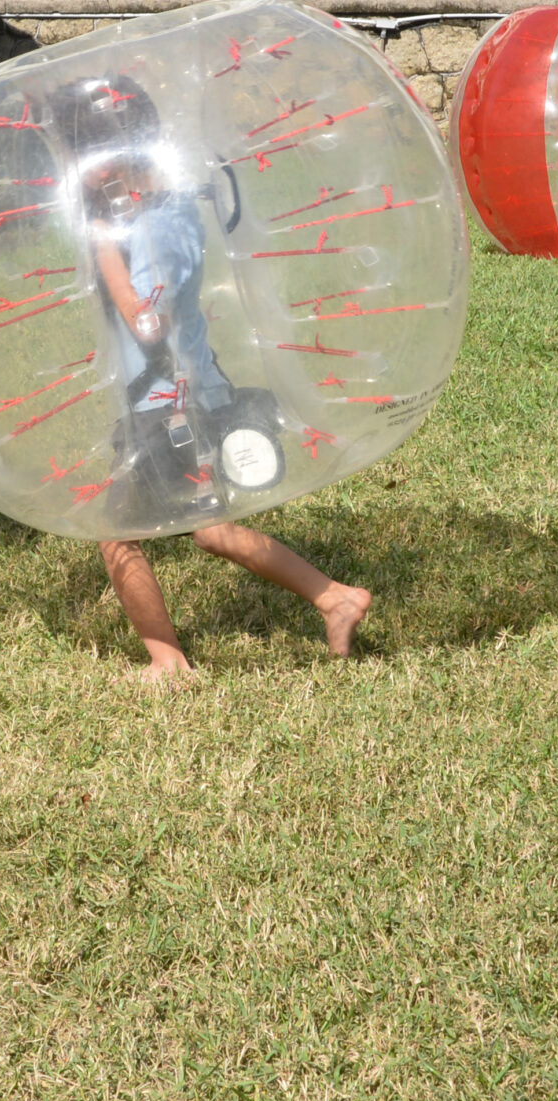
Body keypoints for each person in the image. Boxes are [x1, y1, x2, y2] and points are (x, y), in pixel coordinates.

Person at [53, 73, 372, 678]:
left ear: (106, 158)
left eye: (76, 156)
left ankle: (168, 660)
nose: (74, 171)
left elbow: (149, 322)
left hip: (168, 402)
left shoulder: (149, 226)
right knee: (211, 530)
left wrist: (105, 253)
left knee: (116, 532)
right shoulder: (160, 211)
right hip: (180, 395)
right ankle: (335, 598)